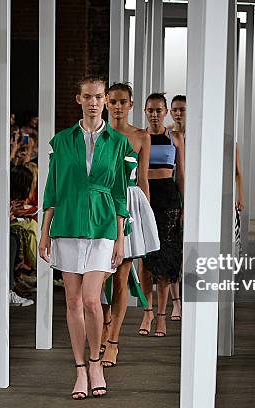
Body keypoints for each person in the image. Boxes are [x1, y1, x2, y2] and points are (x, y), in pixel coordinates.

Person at [39, 76, 132, 400]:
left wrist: (121, 237)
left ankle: (96, 363)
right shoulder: (61, 141)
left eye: (98, 97)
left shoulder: (118, 143)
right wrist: (44, 231)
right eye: (87, 97)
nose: (93, 102)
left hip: (103, 225)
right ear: (78, 99)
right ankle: (80, 370)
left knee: (92, 300)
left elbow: (121, 193)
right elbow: (53, 188)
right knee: (74, 301)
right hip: (67, 223)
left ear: (105, 100)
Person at [100, 83, 159, 368]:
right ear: (106, 103)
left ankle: (113, 340)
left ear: (131, 104)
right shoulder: (98, 134)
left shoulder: (141, 136)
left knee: (121, 277)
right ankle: (104, 323)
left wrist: (145, 217)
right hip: (100, 204)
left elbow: (143, 178)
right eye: (113, 101)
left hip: (130, 202)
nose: (117, 106)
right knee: (99, 276)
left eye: (122, 101)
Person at [139, 93, 185, 338]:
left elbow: (182, 175)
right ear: (145, 112)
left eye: (158, 110)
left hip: (168, 197)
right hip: (145, 197)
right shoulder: (140, 136)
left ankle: (161, 316)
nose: (154, 114)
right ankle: (147, 311)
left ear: (165, 112)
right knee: (146, 258)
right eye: (150, 110)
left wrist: (184, 206)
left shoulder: (175, 138)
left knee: (165, 259)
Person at [167, 94, 186, 321]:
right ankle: (176, 303)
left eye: (182, 109)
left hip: (195, 194)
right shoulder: (168, 135)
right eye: (175, 109)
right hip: (173, 194)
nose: (178, 113)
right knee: (173, 251)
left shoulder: (197, 134)